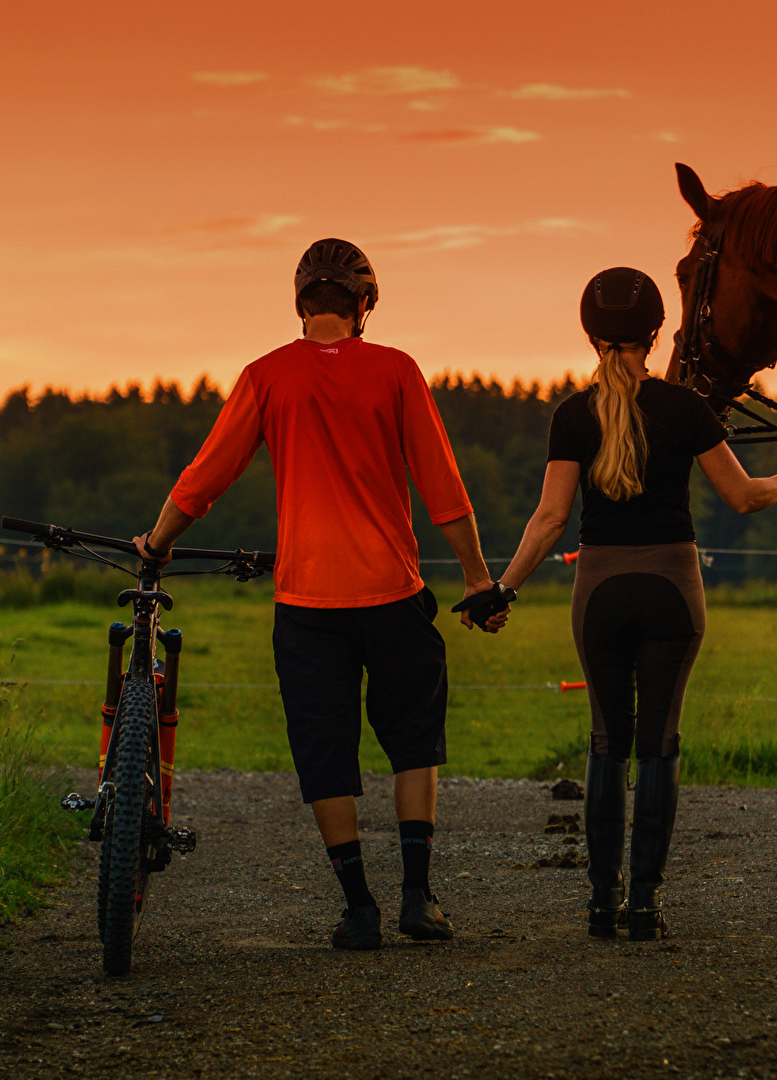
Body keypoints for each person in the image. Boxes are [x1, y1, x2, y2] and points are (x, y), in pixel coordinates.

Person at [134, 238, 504, 952]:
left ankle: (358, 908)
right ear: (364, 305)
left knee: (323, 751)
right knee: (412, 742)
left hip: (307, 605)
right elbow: (442, 486)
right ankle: (417, 898)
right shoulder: (397, 371)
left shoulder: (266, 376)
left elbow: (204, 477)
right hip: (393, 592)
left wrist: (158, 541)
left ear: (301, 304)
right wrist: (477, 577)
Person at [482, 267, 777, 940]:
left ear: (589, 335)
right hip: (672, 590)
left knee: (607, 742)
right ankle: (644, 907)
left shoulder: (573, 416)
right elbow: (744, 496)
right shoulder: (685, 408)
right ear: (656, 333)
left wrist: (503, 587)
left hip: (599, 595)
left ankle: (599, 907)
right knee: (658, 745)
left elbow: (549, 520)